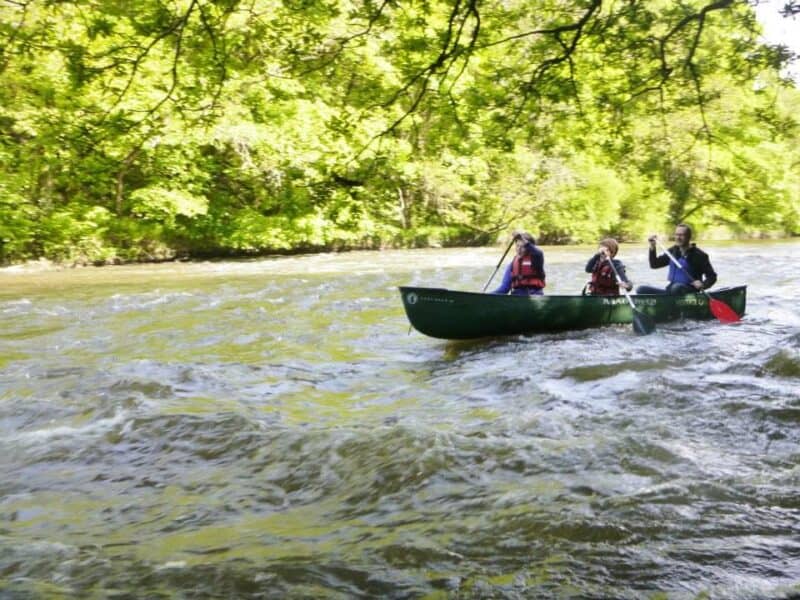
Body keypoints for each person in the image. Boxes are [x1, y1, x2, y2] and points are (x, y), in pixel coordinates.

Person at [635, 223, 717, 295]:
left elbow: (712, 277)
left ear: (688, 237)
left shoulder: (699, 255)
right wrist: (652, 247)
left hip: (689, 292)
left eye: (681, 235)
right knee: (640, 289)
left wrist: (703, 284)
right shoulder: (673, 251)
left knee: (676, 287)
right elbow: (654, 265)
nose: (678, 237)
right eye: (676, 234)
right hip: (670, 291)